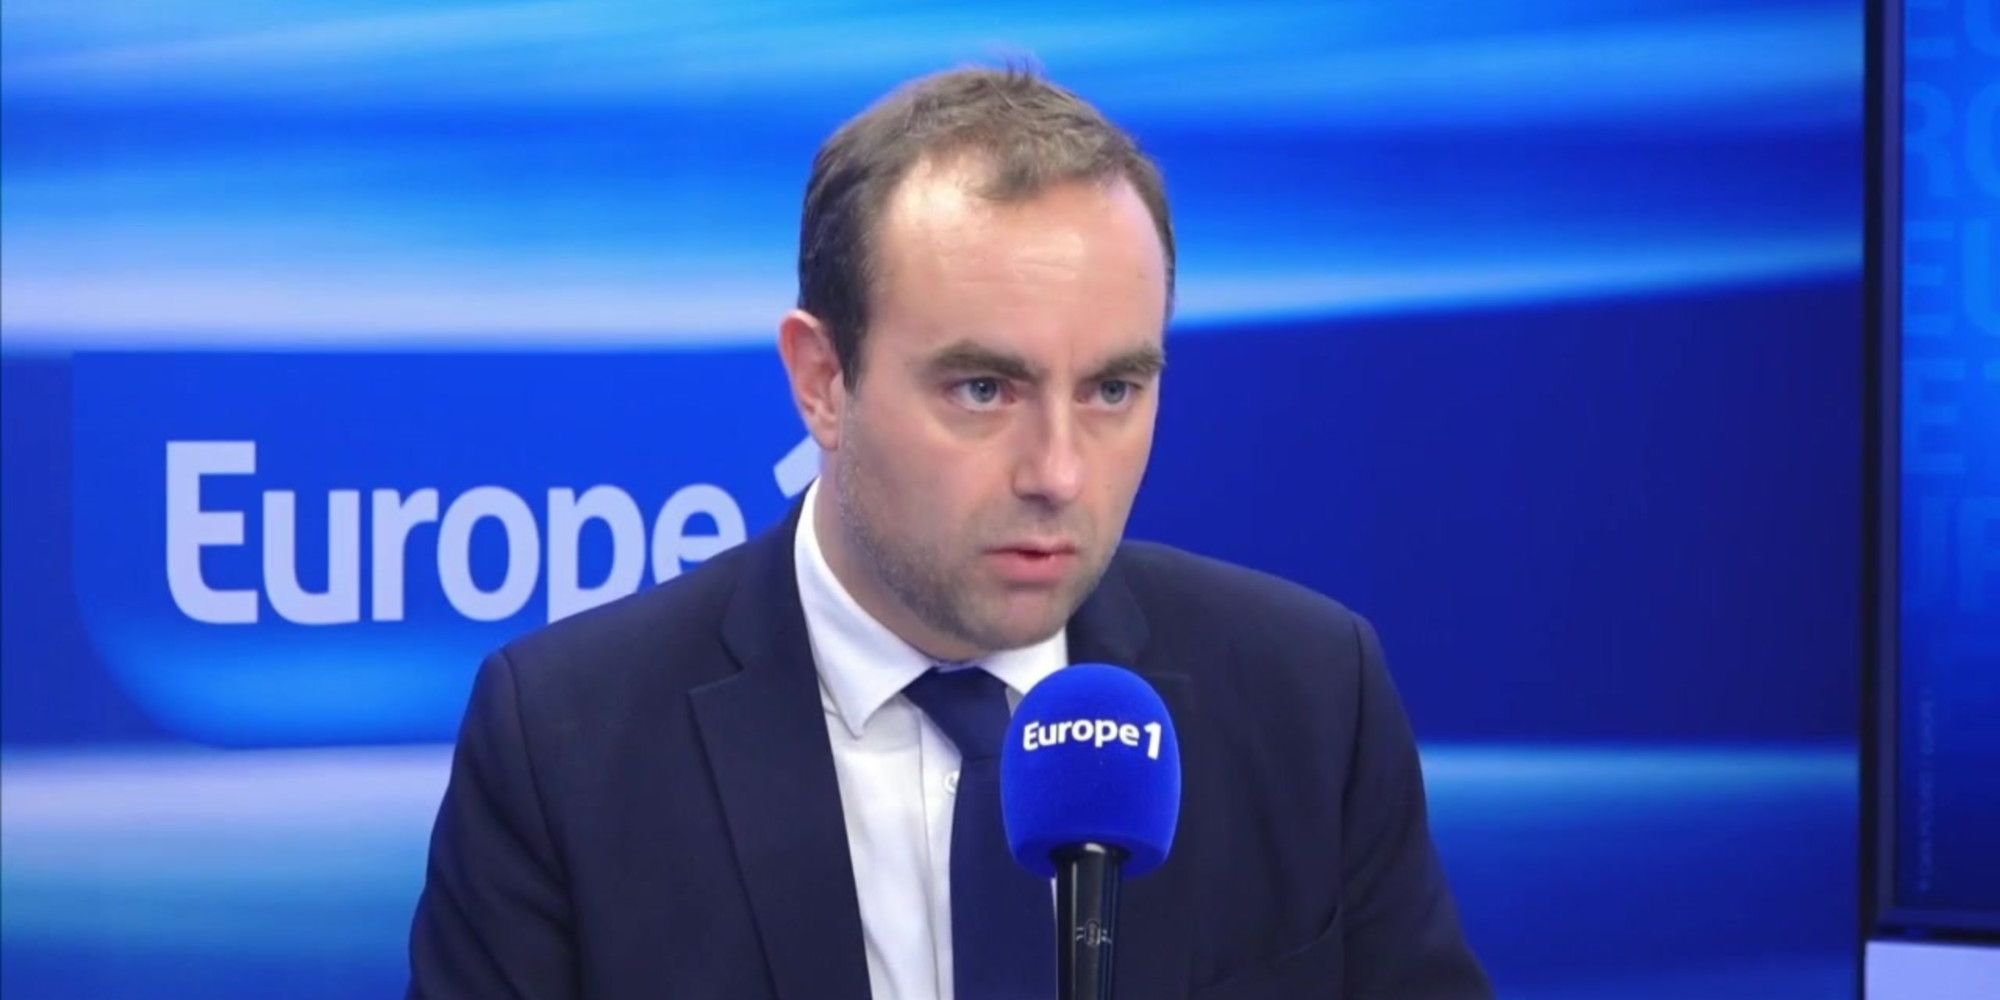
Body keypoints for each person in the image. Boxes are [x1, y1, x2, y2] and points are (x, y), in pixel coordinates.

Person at [407, 66, 1491, 1000]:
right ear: (821, 380)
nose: (1057, 473)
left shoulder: (1309, 698)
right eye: (983, 389)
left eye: (1112, 389)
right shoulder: (565, 746)